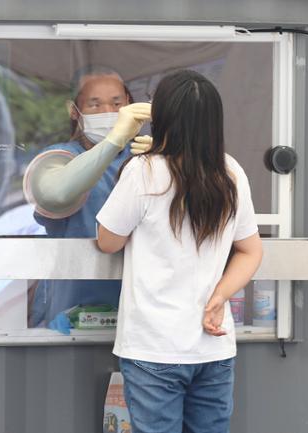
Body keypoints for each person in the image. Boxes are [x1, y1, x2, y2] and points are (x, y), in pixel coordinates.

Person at [96, 70, 263, 433]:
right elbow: (250, 251)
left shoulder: (143, 171)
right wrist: (220, 296)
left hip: (152, 347)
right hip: (214, 348)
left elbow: (107, 240)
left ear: (164, 116)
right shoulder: (231, 172)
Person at [24, 65, 151, 332]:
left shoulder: (145, 155)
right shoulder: (59, 157)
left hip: (136, 305)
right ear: (74, 110)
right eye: (94, 105)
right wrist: (115, 139)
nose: (107, 112)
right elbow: (56, 193)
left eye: (116, 104)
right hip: (71, 304)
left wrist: (167, 159)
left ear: (129, 104)